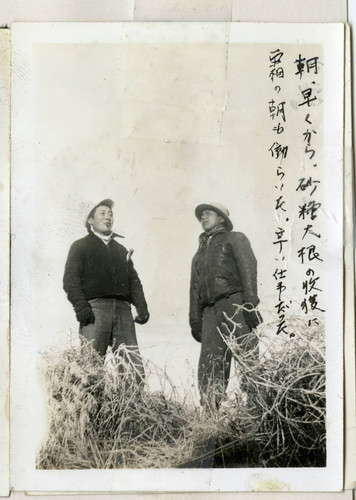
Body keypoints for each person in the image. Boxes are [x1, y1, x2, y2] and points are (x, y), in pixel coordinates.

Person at [63, 199, 149, 383]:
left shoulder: (121, 250)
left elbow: (134, 281)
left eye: (110, 214)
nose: (108, 217)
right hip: (95, 310)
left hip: (123, 312)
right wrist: (81, 307)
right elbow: (70, 281)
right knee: (90, 369)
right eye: (102, 213)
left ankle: (132, 409)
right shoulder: (80, 246)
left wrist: (141, 306)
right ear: (90, 220)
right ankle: (89, 410)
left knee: (133, 369)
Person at [189, 202, 262, 409]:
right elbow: (194, 287)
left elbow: (248, 269)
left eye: (208, 213)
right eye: (201, 215)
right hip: (209, 312)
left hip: (234, 303)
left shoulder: (235, 238)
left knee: (247, 356)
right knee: (210, 364)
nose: (203, 217)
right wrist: (195, 319)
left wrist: (249, 304)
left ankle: (258, 409)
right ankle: (210, 418)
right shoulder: (199, 253)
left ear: (221, 218)